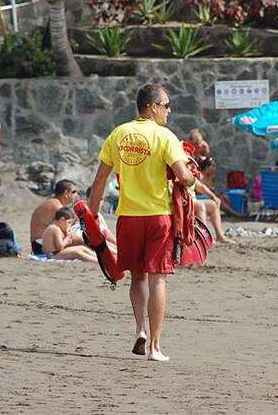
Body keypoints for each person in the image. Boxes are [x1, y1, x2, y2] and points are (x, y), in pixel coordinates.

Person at [88, 84, 195, 363]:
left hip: (128, 216)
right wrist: (191, 177)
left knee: (137, 277)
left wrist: (92, 216)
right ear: (152, 107)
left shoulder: (118, 134)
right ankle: (155, 347)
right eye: (166, 105)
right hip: (158, 216)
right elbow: (183, 176)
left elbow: (99, 181)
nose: (169, 111)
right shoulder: (164, 136)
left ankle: (140, 330)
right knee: (158, 277)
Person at [29, 179, 80, 256]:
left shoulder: (54, 203)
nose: (76, 195)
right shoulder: (56, 206)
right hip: (41, 245)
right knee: (82, 243)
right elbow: (68, 231)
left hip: (38, 244)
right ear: (66, 193)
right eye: (73, 192)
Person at [194, 180, 234, 244]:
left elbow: (200, 187)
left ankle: (220, 236)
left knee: (213, 205)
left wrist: (213, 196)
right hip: (182, 201)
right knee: (200, 206)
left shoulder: (189, 172)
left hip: (193, 200)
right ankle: (204, 237)